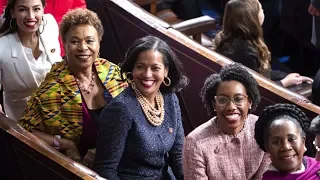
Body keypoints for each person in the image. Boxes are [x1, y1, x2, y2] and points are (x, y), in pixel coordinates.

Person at [18, 8, 127, 168]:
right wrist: (65, 144)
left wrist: (105, 148)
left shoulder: (111, 72)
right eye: (75, 41)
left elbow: (135, 113)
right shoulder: (52, 89)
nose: (83, 47)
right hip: (83, 169)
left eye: (90, 41)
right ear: (65, 44)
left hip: (125, 157)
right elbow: (25, 131)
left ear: (99, 41)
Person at [94, 36, 188, 180]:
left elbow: (178, 156)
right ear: (132, 69)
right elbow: (105, 169)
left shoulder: (170, 98)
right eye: (140, 67)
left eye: (155, 68)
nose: (147, 74)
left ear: (166, 71)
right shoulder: (120, 109)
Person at [183, 63, 270, 180]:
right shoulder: (195, 143)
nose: (231, 107)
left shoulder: (263, 128)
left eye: (238, 99)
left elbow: (267, 177)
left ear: (249, 102)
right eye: (223, 100)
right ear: (214, 104)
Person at [213, 0, 313, 88]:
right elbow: (256, 89)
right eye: (260, 9)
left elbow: (260, 73)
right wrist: (285, 82)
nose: (263, 10)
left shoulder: (227, 38)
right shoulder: (246, 51)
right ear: (252, 18)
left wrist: (287, 76)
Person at [0, 0, 61, 121]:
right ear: (12, 12)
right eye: (23, 9)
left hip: (59, 114)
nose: (31, 16)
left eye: (36, 9)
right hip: (22, 122)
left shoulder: (50, 24)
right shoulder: (2, 47)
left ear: (43, 9)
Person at [255, 103, 319, 179]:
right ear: (267, 148)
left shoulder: (316, 165)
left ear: (303, 142)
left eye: (291, 139)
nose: (286, 147)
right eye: (276, 142)